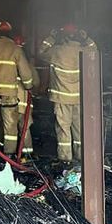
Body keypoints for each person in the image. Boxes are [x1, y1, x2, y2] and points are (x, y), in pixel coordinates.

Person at [40, 24, 96, 164]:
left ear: (63, 36)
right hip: (79, 98)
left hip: (61, 97)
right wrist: (87, 38)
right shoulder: (84, 50)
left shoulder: (56, 51)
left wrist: (51, 37)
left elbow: (41, 52)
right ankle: (81, 156)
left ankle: (65, 159)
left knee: (63, 127)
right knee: (78, 127)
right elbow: (95, 50)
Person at [0, 20, 37, 156]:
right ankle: (9, 155)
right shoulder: (15, 49)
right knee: (10, 125)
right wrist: (28, 86)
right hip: (9, 93)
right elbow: (26, 74)